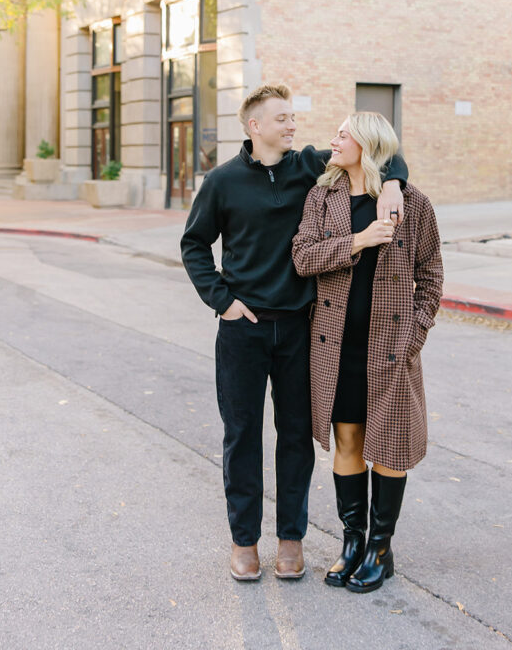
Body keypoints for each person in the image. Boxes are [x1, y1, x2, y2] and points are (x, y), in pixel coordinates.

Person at [180, 85, 408, 583]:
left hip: (301, 328)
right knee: (242, 436)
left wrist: (392, 183)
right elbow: (194, 244)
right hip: (242, 329)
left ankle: (290, 539)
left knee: (296, 438)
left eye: (292, 117)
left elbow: (381, 149)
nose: (292, 125)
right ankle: (244, 542)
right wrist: (223, 302)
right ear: (254, 126)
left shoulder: (309, 167)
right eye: (282, 118)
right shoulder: (222, 181)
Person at [292, 111, 443, 593]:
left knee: (391, 445)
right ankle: (352, 542)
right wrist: (359, 240)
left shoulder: (411, 203)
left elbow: (432, 277)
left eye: (344, 134)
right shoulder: (322, 196)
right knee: (348, 441)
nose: (333, 140)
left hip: (391, 350)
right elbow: (302, 257)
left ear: (367, 144)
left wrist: (413, 337)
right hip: (335, 348)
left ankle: (380, 549)